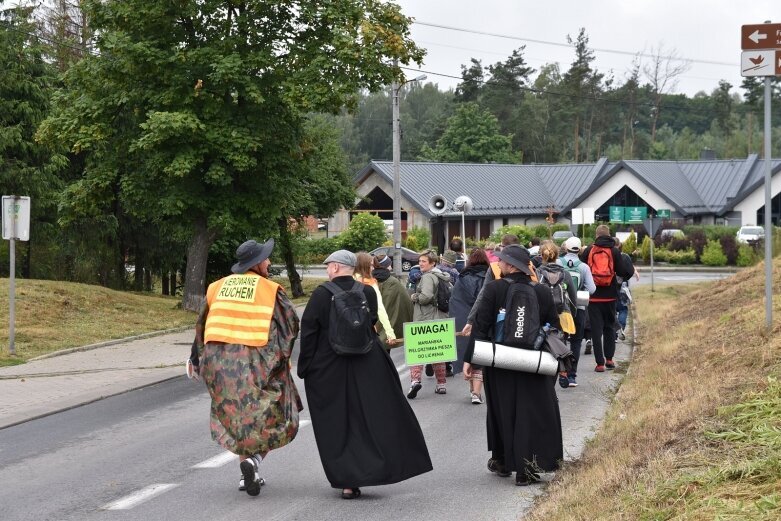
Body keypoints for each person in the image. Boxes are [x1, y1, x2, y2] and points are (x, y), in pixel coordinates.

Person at [298, 250, 432, 499]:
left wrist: (305, 366)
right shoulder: (368, 291)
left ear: (337, 268)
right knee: (369, 417)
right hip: (367, 361)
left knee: (337, 422)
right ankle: (375, 468)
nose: (327, 270)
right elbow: (371, 320)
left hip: (330, 366)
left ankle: (347, 481)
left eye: (328, 266)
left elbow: (308, 332)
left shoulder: (320, 295)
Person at [189, 239, 302, 497]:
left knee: (237, 418)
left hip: (218, 364)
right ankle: (255, 461)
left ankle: (246, 474)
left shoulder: (216, 287)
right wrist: (280, 361)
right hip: (255, 361)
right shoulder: (270, 290)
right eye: (266, 258)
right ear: (257, 263)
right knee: (276, 414)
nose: (269, 262)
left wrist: (195, 359)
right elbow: (289, 328)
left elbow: (202, 325)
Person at [463, 244, 563, 486]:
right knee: (531, 412)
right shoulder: (540, 291)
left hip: (500, 362)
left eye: (502, 261)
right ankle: (527, 470)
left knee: (502, 412)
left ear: (510, 266)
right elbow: (553, 324)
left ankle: (504, 462)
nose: (499, 264)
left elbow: (481, 325)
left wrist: (470, 360)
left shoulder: (494, 289)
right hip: (532, 362)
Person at [579, 225, 635, 372]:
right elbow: (623, 271)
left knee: (596, 330)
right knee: (609, 328)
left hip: (593, 297)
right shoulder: (614, 251)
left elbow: (581, 269)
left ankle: (599, 364)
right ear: (609, 235)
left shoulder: (589, 250)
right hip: (610, 297)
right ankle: (609, 359)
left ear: (596, 235)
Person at [407, 250, 452, 398]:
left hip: (425, 318)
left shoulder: (427, 277)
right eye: (419, 261)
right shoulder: (443, 277)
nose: (420, 264)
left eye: (423, 261)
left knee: (417, 351)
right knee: (438, 352)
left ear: (432, 263)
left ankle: (415, 381)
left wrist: (414, 296)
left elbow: (426, 297)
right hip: (441, 316)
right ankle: (441, 384)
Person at [448, 248, 490, 403]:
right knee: (479, 354)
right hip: (481, 319)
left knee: (467, 353)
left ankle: (472, 389)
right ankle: (477, 393)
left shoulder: (462, 277)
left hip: (463, 319)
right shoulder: (489, 276)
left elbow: (454, 300)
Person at [536, 240, 578, 389]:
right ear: (557, 255)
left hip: (543, 316)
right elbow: (573, 297)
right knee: (560, 345)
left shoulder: (537, 272)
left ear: (541, 255)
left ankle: (547, 385)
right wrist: (572, 314)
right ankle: (562, 372)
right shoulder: (564, 273)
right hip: (562, 314)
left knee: (544, 347)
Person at [557, 236, 596, 387]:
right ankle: (572, 375)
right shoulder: (584, 267)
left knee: (561, 340)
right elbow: (592, 289)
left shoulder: (559, 263)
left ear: (565, 248)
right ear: (579, 250)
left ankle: (562, 373)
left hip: (560, 308)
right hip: (578, 308)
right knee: (576, 341)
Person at [354, 252, 398, 349]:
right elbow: (380, 309)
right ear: (364, 266)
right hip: (366, 330)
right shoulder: (370, 283)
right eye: (371, 265)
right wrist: (390, 333)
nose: (373, 268)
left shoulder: (349, 280)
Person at [371, 254, 413, 351]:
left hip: (373, 325)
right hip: (388, 327)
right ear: (387, 266)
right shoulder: (392, 282)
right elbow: (404, 304)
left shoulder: (370, 279)